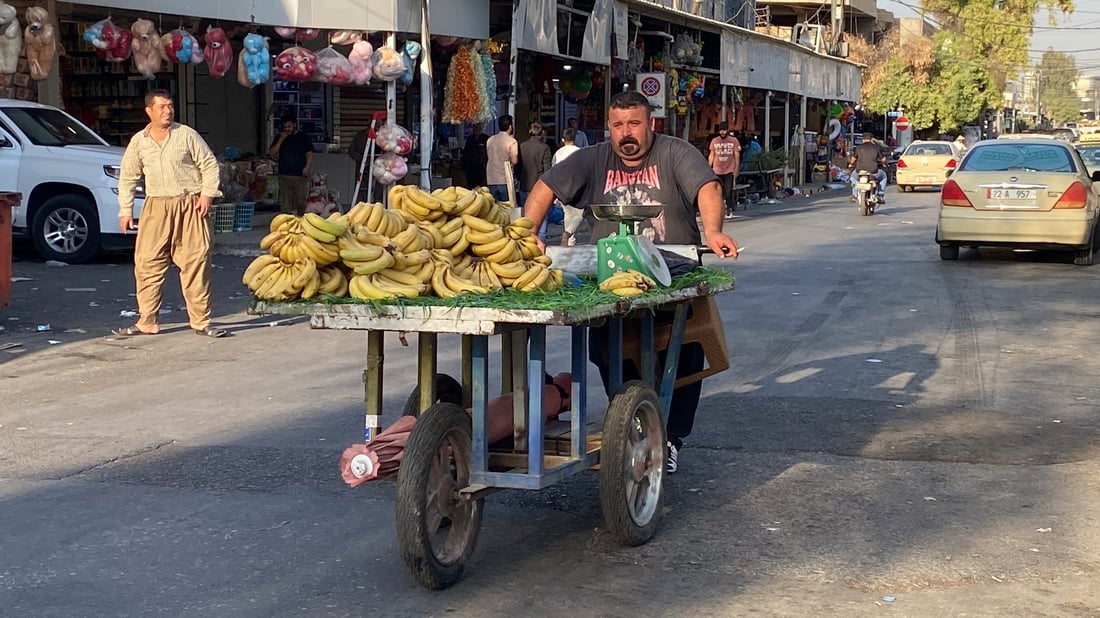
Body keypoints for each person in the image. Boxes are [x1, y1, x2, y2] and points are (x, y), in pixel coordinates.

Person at [520, 90, 739, 474]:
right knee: (605, 348)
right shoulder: (593, 158)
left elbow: (709, 188)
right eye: (618, 125)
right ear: (609, 126)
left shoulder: (675, 153)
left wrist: (714, 232)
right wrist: (528, 233)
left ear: (650, 123)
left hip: (672, 267)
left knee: (682, 353)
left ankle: (671, 438)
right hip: (611, 273)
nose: (626, 133)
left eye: (634, 123)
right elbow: (544, 189)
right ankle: (633, 419)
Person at [114, 89, 225, 338]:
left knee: (195, 262)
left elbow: (208, 164)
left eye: (170, 106)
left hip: (189, 204)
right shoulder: (139, 141)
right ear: (149, 111)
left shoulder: (186, 134)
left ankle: (201, 321)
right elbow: (128, 177)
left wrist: (207, 194)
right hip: (156, 207)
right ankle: (147, 321)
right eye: (162, 106)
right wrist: (126, 210)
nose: (167, 111)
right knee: (147, 264)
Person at [269, 116, 314, 215]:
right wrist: (281, 139)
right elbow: (272, 153)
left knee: (301, 201)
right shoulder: (279, 137)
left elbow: (309, 154)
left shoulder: (304, 137)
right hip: (284, 174)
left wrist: (307, 167)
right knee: (285, 201)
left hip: (299, 175)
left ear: (295, 125)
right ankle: (287, 221)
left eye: (289, 126)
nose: (287, 129)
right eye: (285, 127)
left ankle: (301, 219)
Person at [518, 121, 553, 233]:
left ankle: (526, 236)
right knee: (541, 213)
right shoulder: (544, 147)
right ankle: (540, 237)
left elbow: (519, 166)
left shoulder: (522, 145)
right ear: (541, 133)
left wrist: (519, 179)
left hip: (524, 183)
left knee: (526, 213)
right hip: (539, 185)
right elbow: (547, 169)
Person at [553, 127, 583, 246]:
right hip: (576, 188)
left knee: (568, 215)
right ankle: (569, 233)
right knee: (580, 214)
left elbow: (553, 172)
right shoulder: (579, 152)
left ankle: (570, 243)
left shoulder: (558, 153)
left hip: (562, 188)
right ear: (574, 139)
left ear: (562, 140)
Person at [708, 122, 741, 219]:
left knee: (728, 191)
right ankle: (719, 210)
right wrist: (709, 167)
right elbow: (712, 155)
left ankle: (729, 208)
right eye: (720, 130)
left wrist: (736, 168)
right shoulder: (714, 141)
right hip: (717, 170)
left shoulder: (733, 141)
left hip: (729, 170)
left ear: (727, 130)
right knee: (718, 192)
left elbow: (737, 155)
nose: (722, 132)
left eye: (724, 130)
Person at [485, 115, 518, 203]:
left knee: (493, 209)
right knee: (506, 209)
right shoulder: (512, 141)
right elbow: (514, 161)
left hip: (491, 178)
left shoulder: (490, 140)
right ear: (510, 127)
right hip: (505, 179)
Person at [848, 132, 887, 202]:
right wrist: (884, 164)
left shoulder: (858, 148)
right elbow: (883, 159)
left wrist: (851, 164)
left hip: (859, 171)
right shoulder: (876, 147)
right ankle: (880, 195)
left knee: (853, 177)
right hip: (873, 171)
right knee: (884, 176)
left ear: (863, 140)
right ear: (872, 139)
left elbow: (853, 159)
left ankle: (854, 195)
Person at [460, 122, 489, 188]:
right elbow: (466, 154)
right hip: (470, 170)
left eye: (476, 126)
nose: (474, 129)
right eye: (473, 127)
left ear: (481, 127)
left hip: (481, 170)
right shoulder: (470, 139)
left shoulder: (485, 139)